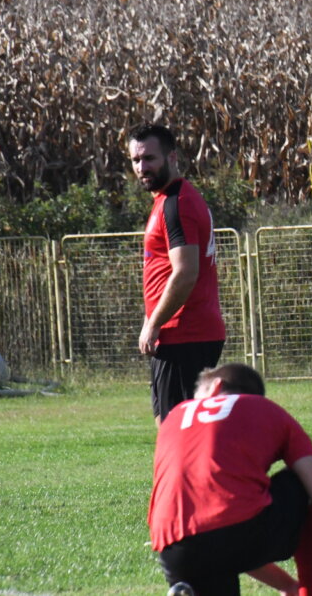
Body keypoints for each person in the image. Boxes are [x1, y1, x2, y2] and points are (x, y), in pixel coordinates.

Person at [149, 362, 312, 596]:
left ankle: (186, 589)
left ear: (216, 387)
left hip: (174, 547)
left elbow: (211, 530)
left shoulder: (174, 417)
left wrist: (285, 585)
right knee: (303, 486)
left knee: (222, 539)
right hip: (238, 533)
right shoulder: (265, 409)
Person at [127, 123, 226, 422]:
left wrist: (153, 323)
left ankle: (232, 468)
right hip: (178, 334)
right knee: (170, 425)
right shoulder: (168, 200)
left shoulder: (176, 204)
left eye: (149, 158)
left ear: (171, 157)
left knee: (180, 433)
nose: (142, 167)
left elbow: (185, 273)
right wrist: (151, 318)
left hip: (186, 333)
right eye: (135, 160)